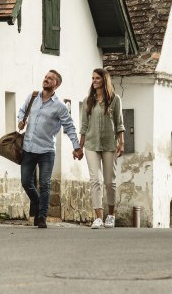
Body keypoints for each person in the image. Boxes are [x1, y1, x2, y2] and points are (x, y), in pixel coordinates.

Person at [17, 69, 82, 228]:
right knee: (26, 182)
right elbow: (22, 111)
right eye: (45, 77)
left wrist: (77, 147)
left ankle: (42, 217)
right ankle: (39, 202)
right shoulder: (33, 97)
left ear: (56, 84)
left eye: (50, 78)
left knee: (45, 184)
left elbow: (70, 127)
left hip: (46, 151)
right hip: (28, 148)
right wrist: (21, 120)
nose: (46, 79)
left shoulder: (60, 107)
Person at [76, 68, 125, 229]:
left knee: (110, 182)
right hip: (91, 144)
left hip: (110, 144)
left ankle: (111, 215)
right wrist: (79, 147)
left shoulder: (115, 99)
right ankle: (98, 217)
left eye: (97, 78)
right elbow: (83, 126)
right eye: (93, 78)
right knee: (95, 180)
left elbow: (119, 123)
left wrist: (121, 143)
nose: (94, 81)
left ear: (105, 80)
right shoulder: (88, 101)